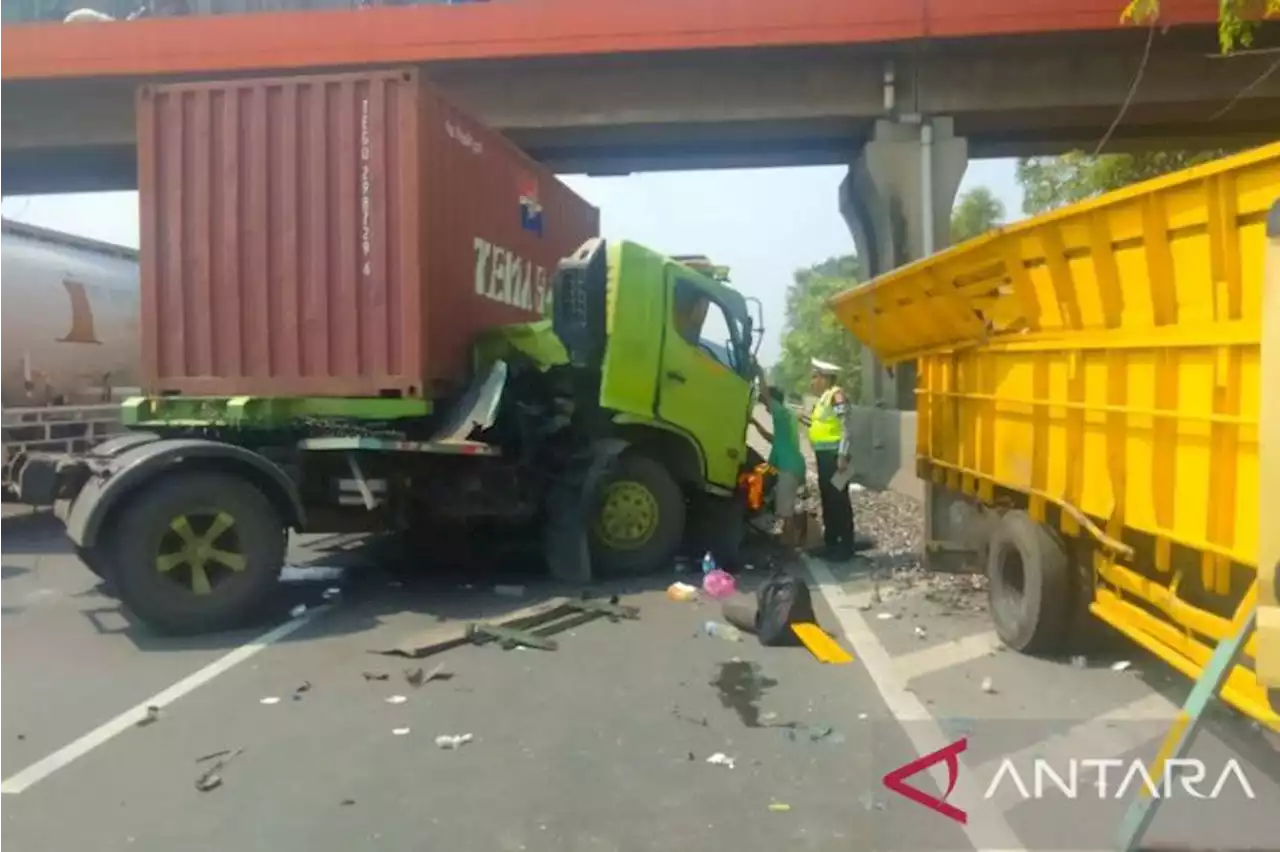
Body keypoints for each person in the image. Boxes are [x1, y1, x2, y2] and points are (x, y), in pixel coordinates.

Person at [805, 358, 857, 561]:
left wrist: (843, 455)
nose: (812, 382)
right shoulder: (824, 398)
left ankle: (845, 547)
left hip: (837, 457)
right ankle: (831, 542)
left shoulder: (837, 396)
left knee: (839, 501)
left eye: (815, 377)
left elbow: (847, 426)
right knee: (828, 498)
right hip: (824, 457)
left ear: (825, 378)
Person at [751, 373, 805, 552]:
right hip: (794, 466)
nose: (766, 408)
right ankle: (789, 542)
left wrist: (759, 371)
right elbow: (772, 439)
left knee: (785, 512)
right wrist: (755, 423)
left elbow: (766, 394)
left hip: (788, 468)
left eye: (766, 405)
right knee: (786, 506)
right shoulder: (787, 417)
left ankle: (789, 548)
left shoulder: (780, 412)